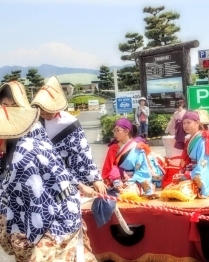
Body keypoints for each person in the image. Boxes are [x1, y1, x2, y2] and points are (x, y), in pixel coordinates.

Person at [0, 105, 97, 261]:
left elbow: (37, 210)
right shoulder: (34, 142)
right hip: (68, 211)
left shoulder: (20, 160)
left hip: (54, 223)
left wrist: (27, 244)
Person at [31, 76, 106, 195]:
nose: (45, 115)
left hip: (69, 178)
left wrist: (95, 178)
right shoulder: (34, 123)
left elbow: (83, 153)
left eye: (49, 112)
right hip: (40, 177)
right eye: (42, 113)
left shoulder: (70, 123)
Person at [161, 110, 209, 202]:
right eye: (184, 123)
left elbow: (204, 162)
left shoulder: (203, 140)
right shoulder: (190, 139)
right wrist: (183, 172)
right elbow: (187, 160)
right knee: (170, 188)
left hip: (201, 173)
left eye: (189, 122)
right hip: (192, 170)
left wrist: (189, 174)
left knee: (182, 190)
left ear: (197, 123)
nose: (185, 125)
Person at [101, 118, 164, 199]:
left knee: (128, 193)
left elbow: (141, 168)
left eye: (117, 130)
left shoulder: (137, 147)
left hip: (135, 179)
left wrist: (130, 181)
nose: (115, 134)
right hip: (116, 180)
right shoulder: (113, 148)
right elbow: (108, 167)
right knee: (112, 193)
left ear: (126, 131)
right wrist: (115, 180)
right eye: (114, 131)